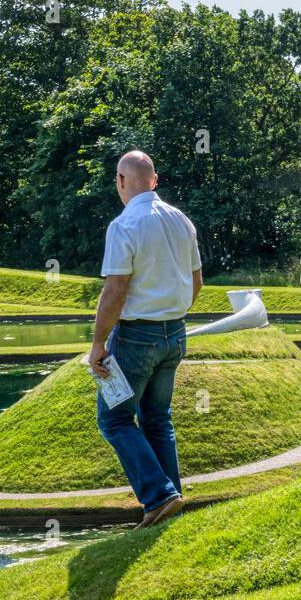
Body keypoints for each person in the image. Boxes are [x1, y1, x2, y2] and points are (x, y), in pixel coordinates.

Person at [87, 151, 202, 529]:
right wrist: (173, 312)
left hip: (137, 335)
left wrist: (98, 344)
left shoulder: (124, 225)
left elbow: (115, 290)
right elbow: (197, 282)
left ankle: (158, 495)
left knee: (114, 419)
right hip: (176, 331)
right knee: (157, 418)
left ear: (121, 181)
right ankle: (170, 499)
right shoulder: (181, 220)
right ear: (154, 180)